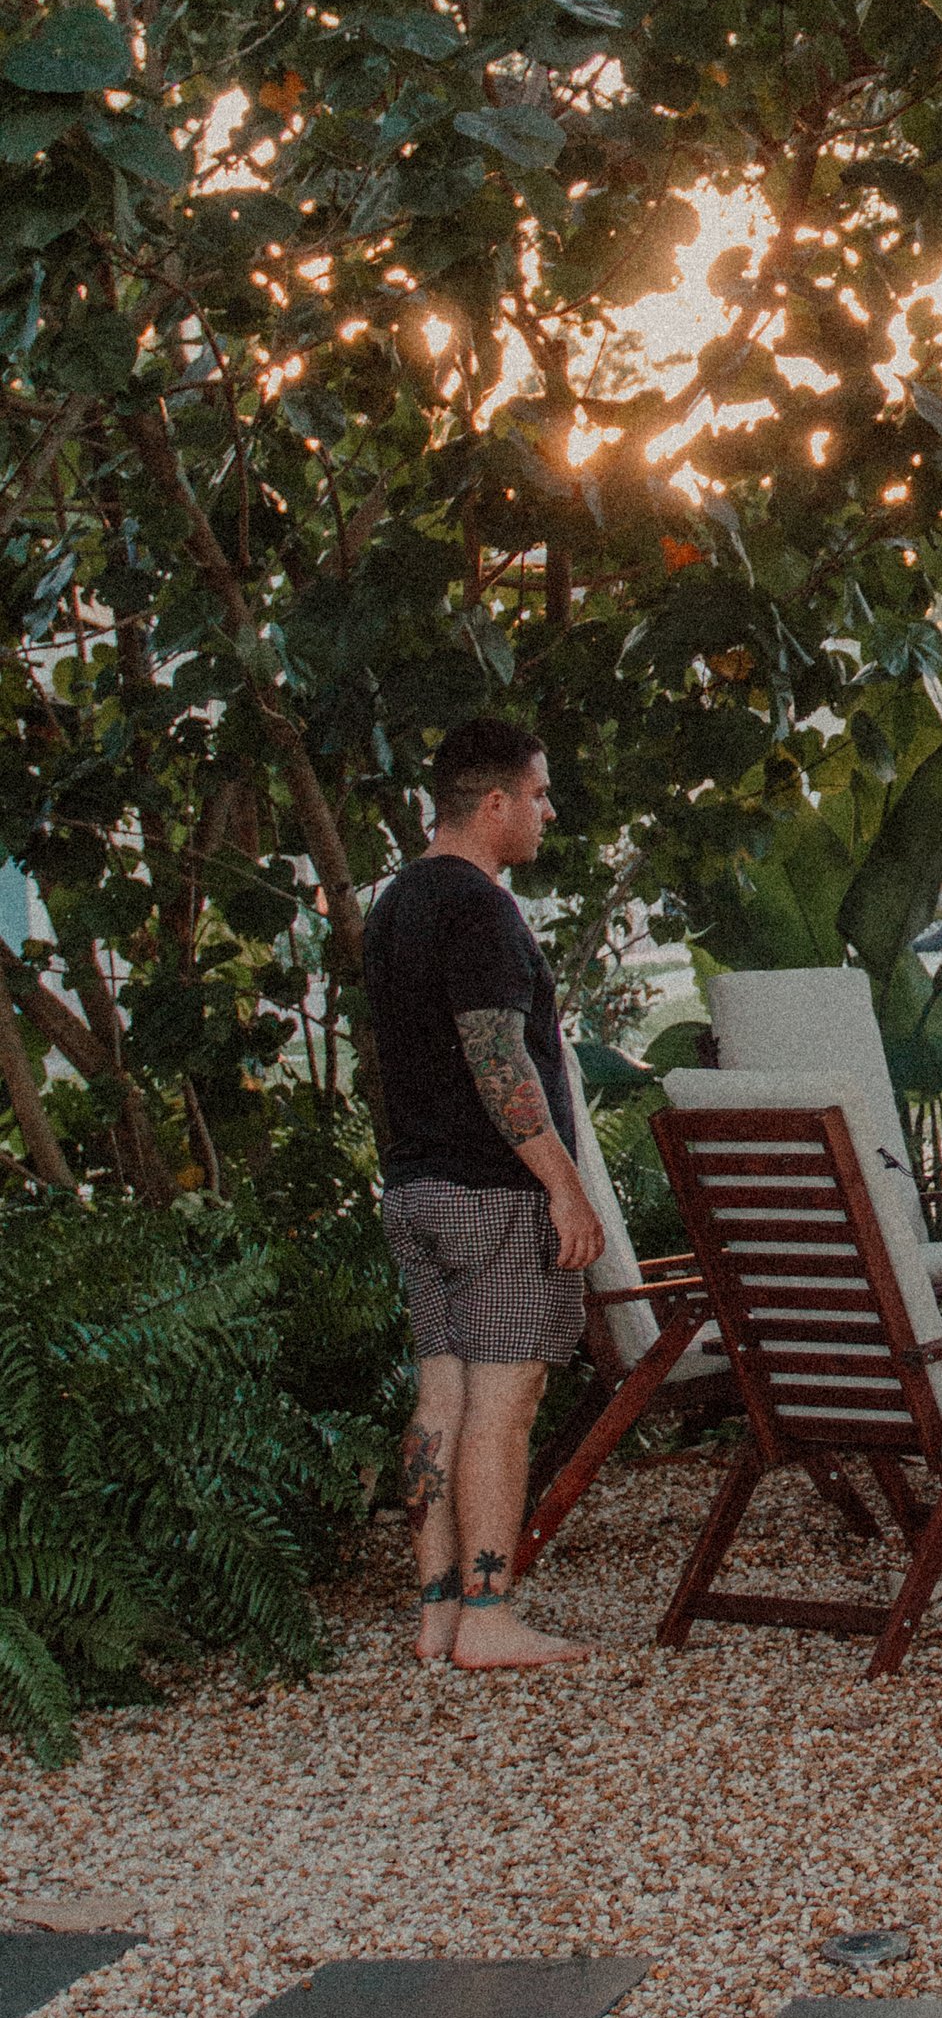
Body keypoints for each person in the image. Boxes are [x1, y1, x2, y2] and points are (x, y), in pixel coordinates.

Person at [364, 716, 602, 1670]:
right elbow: (498, 1061)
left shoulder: (394, 904)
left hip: (415, 1188)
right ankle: (491, 1615)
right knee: (506, 1402)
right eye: (539, 795)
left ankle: (437, 1614)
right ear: (494, 802)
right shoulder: (481, 909)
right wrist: (566, 1189)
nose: (548, 812)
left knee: (442, 1398)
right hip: (492, 1195)